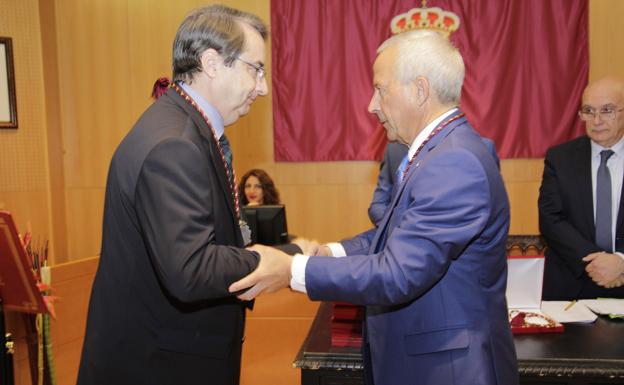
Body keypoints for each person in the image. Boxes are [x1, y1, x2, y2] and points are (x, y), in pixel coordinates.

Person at [230, 30, 518, 385]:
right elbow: (395, 234)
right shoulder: (439, 151)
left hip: (448, 370)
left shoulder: (454, 161)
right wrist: (329, 252)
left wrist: (293, 270)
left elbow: (398, 273)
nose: (372, 105)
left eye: (380, 89)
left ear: (420, 90)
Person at [76, 5, 287, 385]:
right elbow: (190, 269)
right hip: (157, 366)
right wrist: (272, 260)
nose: (263, 87)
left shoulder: (184, 127)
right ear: (211, 62)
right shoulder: (175, 144)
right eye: (256, 69)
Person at [539, 77, 624, 300]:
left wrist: (620, 261)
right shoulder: (560, 158)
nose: (596, 120)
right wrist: (595, 262)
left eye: (607, 110)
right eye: (588, 110)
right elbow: (551, 219)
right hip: (572, 285)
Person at [369, 138, 499, 226]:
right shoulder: (394, 151)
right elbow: (378, 206)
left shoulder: (482, 147)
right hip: (405, 253)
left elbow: (493, 208)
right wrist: (402, 228)